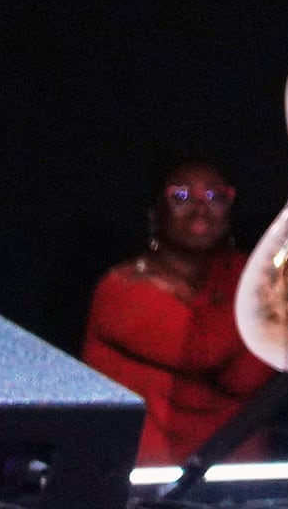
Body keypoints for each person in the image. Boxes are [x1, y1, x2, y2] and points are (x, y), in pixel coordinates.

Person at [82, 156, 276, 466]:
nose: (200, 208)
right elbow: (203, 350)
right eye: (181, 196)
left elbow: (252, 375)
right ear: (155, 211)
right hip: (146, 480)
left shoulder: (247, 273)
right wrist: (269, 309)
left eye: (216, 196)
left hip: (239, 478)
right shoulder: (120, 287)